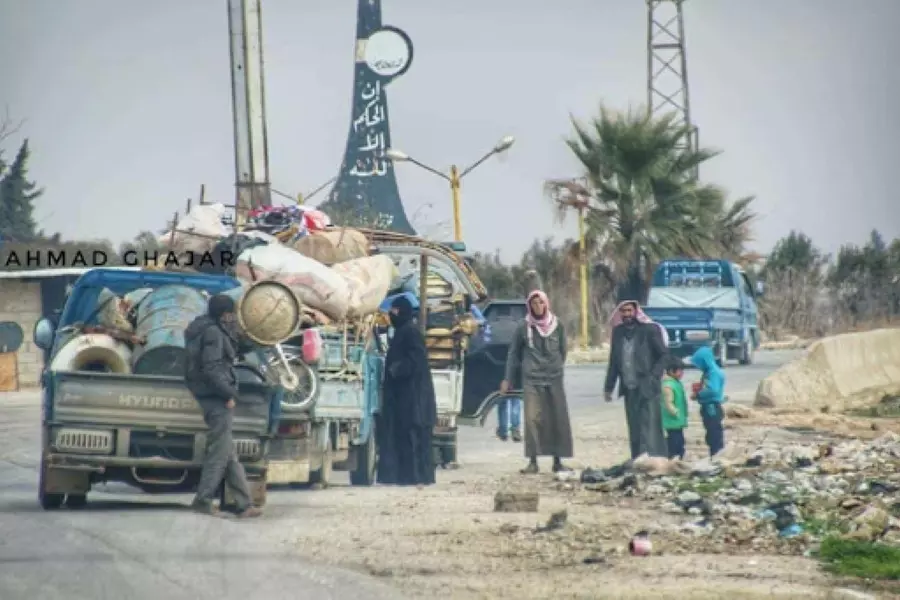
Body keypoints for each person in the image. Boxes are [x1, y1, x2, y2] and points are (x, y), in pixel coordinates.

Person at [184, 294, 261, 518]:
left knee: (228, 452)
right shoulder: (213, 333)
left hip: (208, 394)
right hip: (215, 398)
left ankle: (244, 504)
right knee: (219, 452)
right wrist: (228, 393)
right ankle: (203, 500)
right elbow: (212, 368)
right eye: (231, 313)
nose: (232, 317)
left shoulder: (202, 327)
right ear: (225, 313)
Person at [500, 290, 573, 474]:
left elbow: (563, 351)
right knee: (532, 419)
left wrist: (554, 367)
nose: (537, 306)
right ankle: (533, 462)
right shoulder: (523, 327)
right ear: (529, 306)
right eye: (534, 303)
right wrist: (507, 379)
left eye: (540, 302)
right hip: (532, 379)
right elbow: (513, 354)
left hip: (554, 378)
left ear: (546, 304)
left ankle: (558, 461)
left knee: (557, 418)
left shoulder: (558, 325)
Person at [378, 295, 437, 487]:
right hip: (407, 397)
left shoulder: (410, 332)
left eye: (394, 312)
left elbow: (416, 361)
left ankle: (416, 476)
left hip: (414, 399)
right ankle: (406, 476)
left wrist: (396, 369)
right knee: (404, 437)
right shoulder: (403, 331)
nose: (391, 315)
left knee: (413, 438)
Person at [604, 300, 669, 459]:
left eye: (629, 311)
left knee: (650, 424)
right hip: (629, 386)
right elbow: (614, 361)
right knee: (634, 426)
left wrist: (654, 376)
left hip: (647, 386)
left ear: (636, 312)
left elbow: (664, 355)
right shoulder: (618, 332)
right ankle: (638, 459)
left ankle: (655, 458)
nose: (627, 315)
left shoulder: (649, 330)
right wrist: (609, 387)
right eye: (623, 311)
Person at [690, 346, 726, 456]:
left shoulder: (713, 373)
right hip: (709, 407)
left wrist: (699, 394)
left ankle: (716, 456)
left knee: (714, 434)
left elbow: (713, 390)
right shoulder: (709, 372)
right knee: (711, 434)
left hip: (712, 408)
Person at [661, 358, 688, 460]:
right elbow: (668, 403)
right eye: (680, 371)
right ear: (672, 371)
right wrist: (675, 412)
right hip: (672, 421)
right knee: (675, 442)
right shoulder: (668, 385)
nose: (682, 373)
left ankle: (678, 458)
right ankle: (673, 459)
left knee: (679, 441)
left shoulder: (675, 383)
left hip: (677, 421)